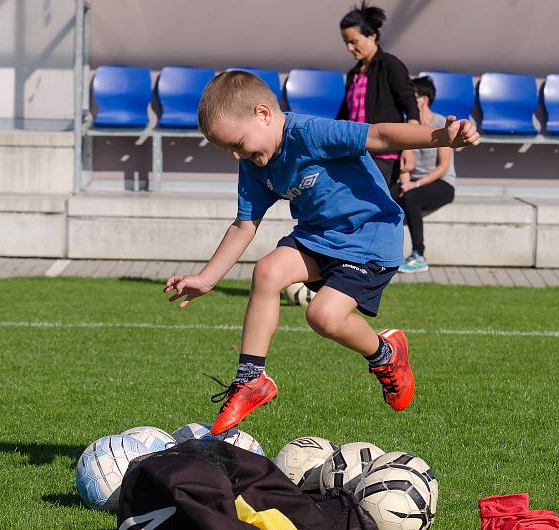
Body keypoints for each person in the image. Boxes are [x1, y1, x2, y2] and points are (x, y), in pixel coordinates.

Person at [164, 71, 479, 435]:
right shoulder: (254, 163)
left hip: (369, 239)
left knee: (323, 317)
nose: (237, 155)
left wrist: (442, 137)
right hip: (317, 238)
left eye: (238, 143)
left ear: (263, 114)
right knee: (267, 271)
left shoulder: (311, 134)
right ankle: (251, 379)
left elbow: (378, 134)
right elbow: (244, 224)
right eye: (229, 150)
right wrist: (206, 278)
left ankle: (385, 354)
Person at [337, 2, 420, 191]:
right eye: (346, 43)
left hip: (384, 155)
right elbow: (343, 116)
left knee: (372, 206)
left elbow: (411, 107)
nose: (349, 48)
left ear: (372, 36)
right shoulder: (353, 74)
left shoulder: (391, 65)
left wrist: (409, 148)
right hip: (356, 154)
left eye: (354, 41)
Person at [393, 76, 457, 273]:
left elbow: (443, 167)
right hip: (412, 182)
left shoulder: (440, 123)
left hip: (441, 183)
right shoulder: (407, 124)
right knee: (385, 197)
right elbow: (405, 164)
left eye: (413, 96)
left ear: (424, 99)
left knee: (411, 197)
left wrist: (416, 185)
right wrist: (405, 183)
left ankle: (418, 255)